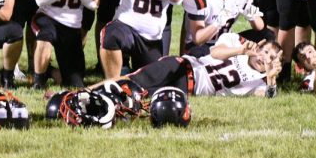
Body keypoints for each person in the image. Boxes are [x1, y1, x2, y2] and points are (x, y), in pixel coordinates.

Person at [114, 34, 282, 98]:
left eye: (272, 58)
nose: (265, 58)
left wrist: (270, 78)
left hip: (188, 89)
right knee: (131, 81)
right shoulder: (236, 44)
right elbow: (216, 53)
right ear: (258, 48)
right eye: (265, 51)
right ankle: (89, 92)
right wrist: (241, 50)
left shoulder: (258, 83)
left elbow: (268, 97)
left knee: (136, 97)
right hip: (182, 66)